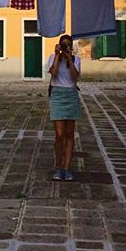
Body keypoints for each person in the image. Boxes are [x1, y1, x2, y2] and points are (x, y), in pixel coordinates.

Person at [47, 34, 80, 181]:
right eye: (63, 45)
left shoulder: (76, 60)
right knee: (59, 135)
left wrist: (69, 59)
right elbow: (53, 74)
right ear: (59, 45)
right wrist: (56, 56)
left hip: (71, 95)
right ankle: (58, 166)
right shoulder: (53, 58)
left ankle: (66, 169)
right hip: (58, 95)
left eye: (68, 45)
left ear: (71, 47)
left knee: (69, 135)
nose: (66, 47)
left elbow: (74, 77)